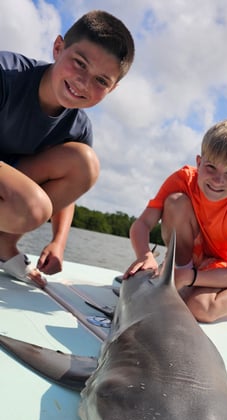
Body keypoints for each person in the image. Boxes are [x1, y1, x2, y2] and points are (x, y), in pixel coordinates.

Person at [0, 10, 134, 287]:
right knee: (32, 207)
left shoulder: (79, 128)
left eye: (101, 80)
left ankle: (3, 244)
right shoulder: (6, 73)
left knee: (85, 162)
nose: (84, 83)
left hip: (10, 186)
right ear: (58, 48)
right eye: (80, 63)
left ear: (113, 89)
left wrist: (58, 242)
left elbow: (67, 193)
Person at [125, 119, 227, 322]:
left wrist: (191, 278)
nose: (218, 181)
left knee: (201, 309)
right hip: (191, 257)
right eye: (211, 167)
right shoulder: (182, 179)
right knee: (176, 202)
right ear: (199, 162)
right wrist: (144, 256)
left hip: (223, 268)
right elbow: (142, 224)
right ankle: (179, 272)